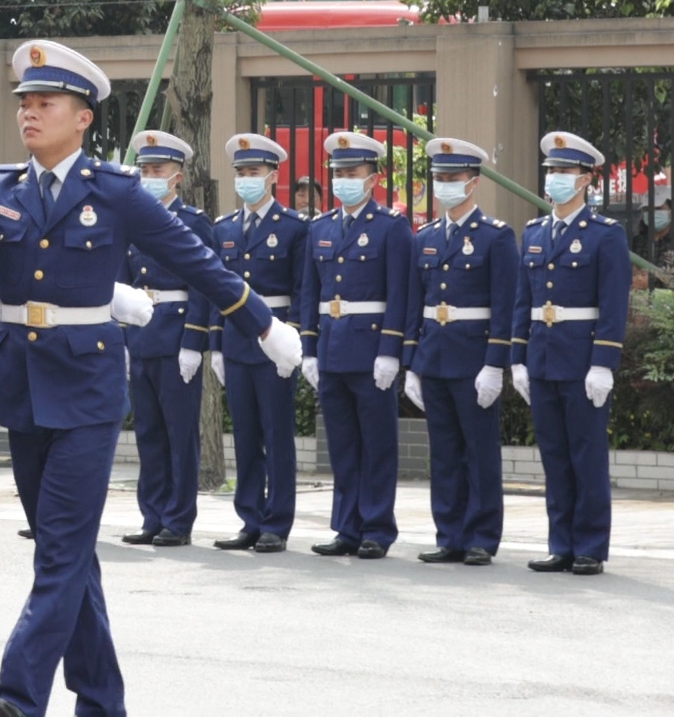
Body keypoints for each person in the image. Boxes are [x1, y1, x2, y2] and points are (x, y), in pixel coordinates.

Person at [0, 40, 297, 717]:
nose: (29, 114)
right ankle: (101, 699)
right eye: (25, 103)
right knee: (67, 554)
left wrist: (264, 326)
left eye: (46, 103)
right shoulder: (0, 187)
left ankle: (19, 695)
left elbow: (196, 260)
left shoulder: (115, 192)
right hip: (22, 386)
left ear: (84, 117)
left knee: (60, 552)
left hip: (87, 390)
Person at [512, 131, 629, 576]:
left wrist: (603, 364)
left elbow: (613, 305)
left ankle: (590, 546)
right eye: (552, 171)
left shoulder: (605, 235)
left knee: (586, 455)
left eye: (564, 171)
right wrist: (518, 358)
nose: (555, 178)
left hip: (582, 362)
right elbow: (523, 301)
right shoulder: (535, 232)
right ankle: (560, 544)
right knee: (554, 456)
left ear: (585, 179)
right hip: (543, 359)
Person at [401, 137, 517, 568]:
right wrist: (411, 363)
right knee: (445, 453)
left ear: (473, 182)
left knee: (479, 452)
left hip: (473, 360)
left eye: (453, 178)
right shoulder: (426, 238)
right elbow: (415, 305)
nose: (445, 185)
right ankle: (449, 534)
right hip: (434, 357)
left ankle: (482, 537)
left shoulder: (496, 237)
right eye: (440, 178)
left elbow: (505, 306)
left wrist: (495, 365)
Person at [298, 131, 410, 560]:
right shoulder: (320, 227)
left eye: (352, 172)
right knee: (342, 445)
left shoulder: (390, 227)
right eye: (339, 173)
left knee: (377, 444)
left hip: (370, 350)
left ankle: (376, 528)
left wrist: (390, 351)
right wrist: (309, 349)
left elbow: (399, 294)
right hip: (332, 349)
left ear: (373, 178)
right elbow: (311, 293)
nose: (344, 180)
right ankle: (346, 527)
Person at [209, 134, 310, 554]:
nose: (246, 179)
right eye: (241, 172)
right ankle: (250, 519)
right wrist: (215, 344)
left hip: (275, 342)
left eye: (254, 172)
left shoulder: (293, 227)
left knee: (277, 434)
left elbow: (302, 290)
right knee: (246, 436)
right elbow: (217, 289)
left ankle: (276, 523)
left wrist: (296, 341)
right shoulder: (224, 228)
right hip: (237, 342)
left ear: (272, 176)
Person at [118, 131, 214, 549]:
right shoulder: (133, 222)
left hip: (176, 339)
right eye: (144, 170)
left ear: (177, 176)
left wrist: (193, 341)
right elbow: (122, 284)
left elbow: (205, 285)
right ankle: (152, 515)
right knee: (148, 434)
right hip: (141, 335)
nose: (149, 177)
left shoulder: (193, 222)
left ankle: (178, 519)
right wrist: (122, 339)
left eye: (157, 170)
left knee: (180, 435)